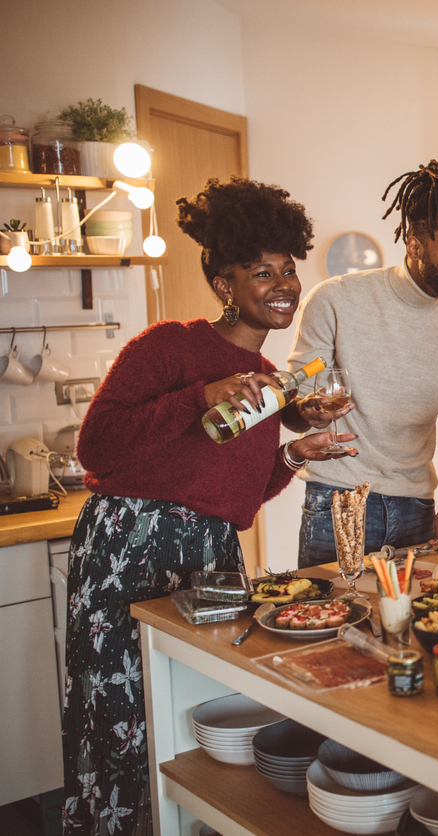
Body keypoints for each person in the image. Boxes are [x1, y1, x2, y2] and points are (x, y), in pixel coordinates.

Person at [62, 177, 350, 836]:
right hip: (128, 545)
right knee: (122, 713)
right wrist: (199, 394)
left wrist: (304, 452)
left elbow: (240, 496)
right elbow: (95, 447)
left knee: (197, 707)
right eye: (261, 272)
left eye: (288, 269)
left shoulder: (275, 384)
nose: (283, 284)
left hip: (210, 557)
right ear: (225, 284)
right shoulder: (170, 347)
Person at [286, 161, 438, 568]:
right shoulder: (336, 300)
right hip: (338, 499)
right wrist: (308, 410)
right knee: (326, 622)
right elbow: (295, 404)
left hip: (416, 511)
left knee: (407, 626)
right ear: (415, 243)